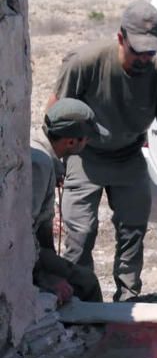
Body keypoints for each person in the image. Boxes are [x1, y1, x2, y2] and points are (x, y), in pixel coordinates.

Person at [46, 0, 157, 301]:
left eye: (150, 52)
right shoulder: (86, 61)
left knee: (132, 233)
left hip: (128, 157)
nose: (143, 59)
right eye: (137, 51)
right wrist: (54, 164)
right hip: (84, 155)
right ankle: (82, 300)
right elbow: (55, 112)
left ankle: (127, 300)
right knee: (80, 234)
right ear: (121, 38)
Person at [31, 98, 108, 304]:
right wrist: (44, 277)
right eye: (87, 138)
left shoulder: (41, 150)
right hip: (25, 257)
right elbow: (20, 232)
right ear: (71, 142)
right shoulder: (40, 164)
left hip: (35, 251)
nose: (88, 142)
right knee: (86, 283)